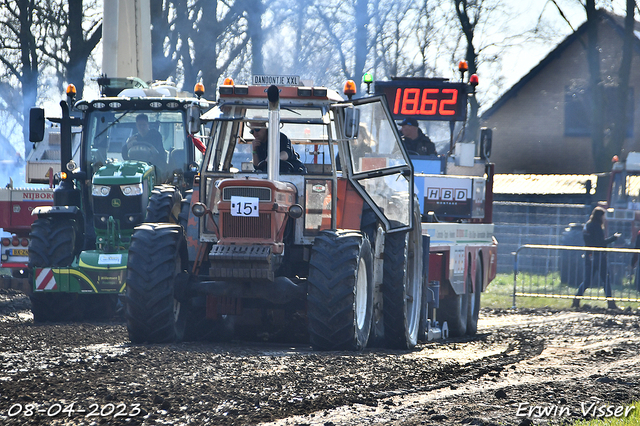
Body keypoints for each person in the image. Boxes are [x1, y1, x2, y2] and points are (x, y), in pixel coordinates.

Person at [572, 206, 621, 309]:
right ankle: (611, 303)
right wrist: (613, 238)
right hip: (598, 256)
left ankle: (576, 300)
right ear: (599, 216)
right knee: (605, 280)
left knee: (587, 281)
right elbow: (600, 242)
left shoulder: (588, 225)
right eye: (603, 216)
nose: (604, 218)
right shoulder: (596, 226)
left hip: (589, 255)